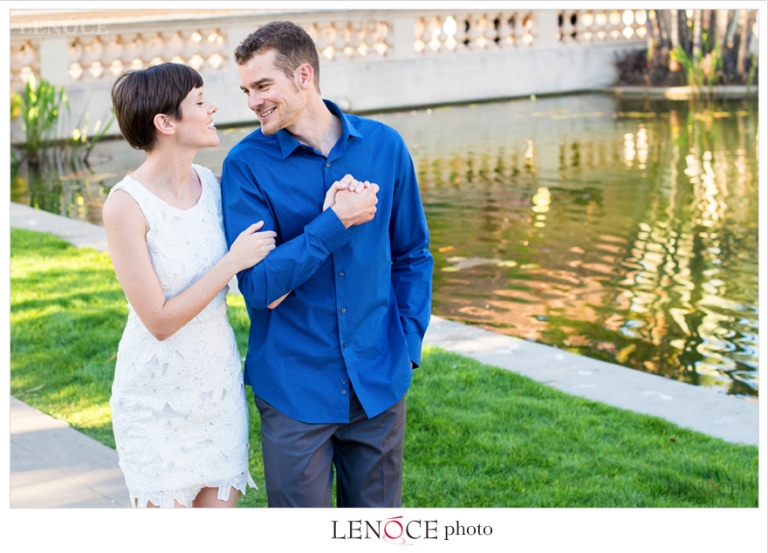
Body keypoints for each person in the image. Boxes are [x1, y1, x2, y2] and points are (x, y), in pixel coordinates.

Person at [220, 21, 434, 508]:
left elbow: (413, 255)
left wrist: (408, 343)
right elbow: (258, 285)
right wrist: (333, 222)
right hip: (295, 390)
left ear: (303, 75)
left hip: (379, 380)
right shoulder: (246, 166)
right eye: (246, 90)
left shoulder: (385, 146)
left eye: (262, 86)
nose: (252, 101)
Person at [103, 63, 274, 508]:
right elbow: (159, 321)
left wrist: (331, 212)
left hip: (216, 392)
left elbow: (268, 267)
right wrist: (230, 262)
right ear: (165, 123)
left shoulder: (217, 188)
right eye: (200, 102)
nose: (213, 108)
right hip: (153, 401)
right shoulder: (125, 206)